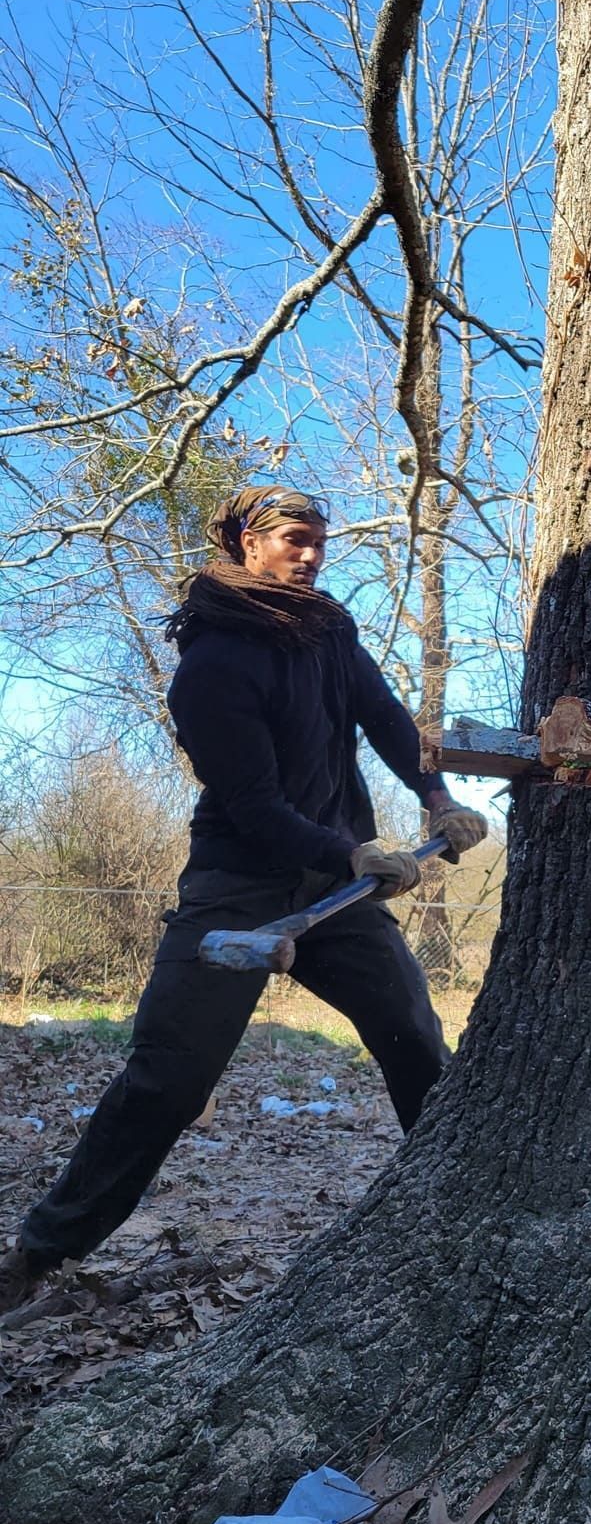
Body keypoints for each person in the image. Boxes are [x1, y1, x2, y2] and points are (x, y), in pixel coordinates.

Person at [0, 486, 488, 1313]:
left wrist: (436, 798)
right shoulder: (213, 663)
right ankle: (38, 1254)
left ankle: (459, 1218)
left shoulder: (331, 628)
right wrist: (352, 848)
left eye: (319, 541)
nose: (311, 555)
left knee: (414, 1039)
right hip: (238, 887)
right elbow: (256, 808)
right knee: (168, 1082)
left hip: (339, 887)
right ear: (247, 544)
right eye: (295, 539)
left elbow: (384, 716)